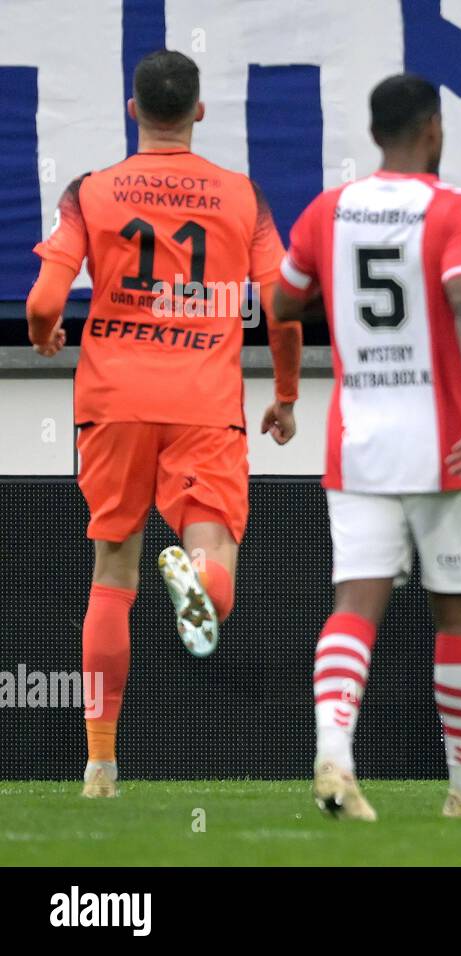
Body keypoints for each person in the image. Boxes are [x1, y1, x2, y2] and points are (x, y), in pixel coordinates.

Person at [25, 50, 302, 799]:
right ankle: (197, 576)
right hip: (203, 404)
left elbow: (45, 300)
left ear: (133, 110)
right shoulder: (242, 195)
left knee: (112, 574)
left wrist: (45, 333)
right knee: (217, 561)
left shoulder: (91, 191)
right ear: (199, 112)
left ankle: (100, 765)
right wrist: (284, 393)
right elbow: (282, 310)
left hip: (113, 401)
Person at [273, 73, 461, 822]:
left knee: (355, 604)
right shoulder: (454, 208)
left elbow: (282, 299)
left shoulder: (328, 210)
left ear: (373, 133)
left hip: (358, 443)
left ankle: (334, 754)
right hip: (447, 445)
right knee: (460, 615)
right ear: (434, 129)